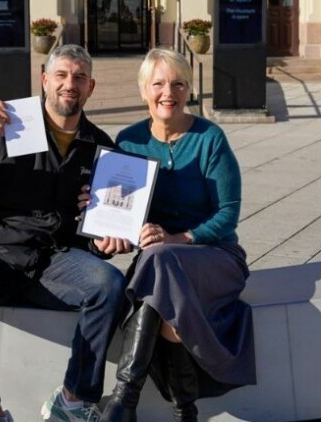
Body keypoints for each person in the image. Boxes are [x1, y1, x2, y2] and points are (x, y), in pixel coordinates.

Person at [0, 44, 129, 422]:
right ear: (44, 80)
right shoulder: (7, 125)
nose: (70, 84)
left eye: (80, 77)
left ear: (91, 87)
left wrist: (103, 242)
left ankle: (73, 400)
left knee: (109, 284)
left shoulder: (100, 148)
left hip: (53, 260)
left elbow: (96, 231)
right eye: (61, 75)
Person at [100, 48, 256, 422]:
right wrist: (114, 233)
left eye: (178, 84)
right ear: (143, 90)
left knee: (158, 262)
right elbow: (121, 213)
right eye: (158, 84)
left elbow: (228, 215)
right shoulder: (129, 142)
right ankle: (184, 411)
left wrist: (180, 238)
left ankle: (125, 400)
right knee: (167, 307)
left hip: (214, 256)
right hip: (160, 264)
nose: (168, 93)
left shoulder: (210, 138)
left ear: (189, 91)